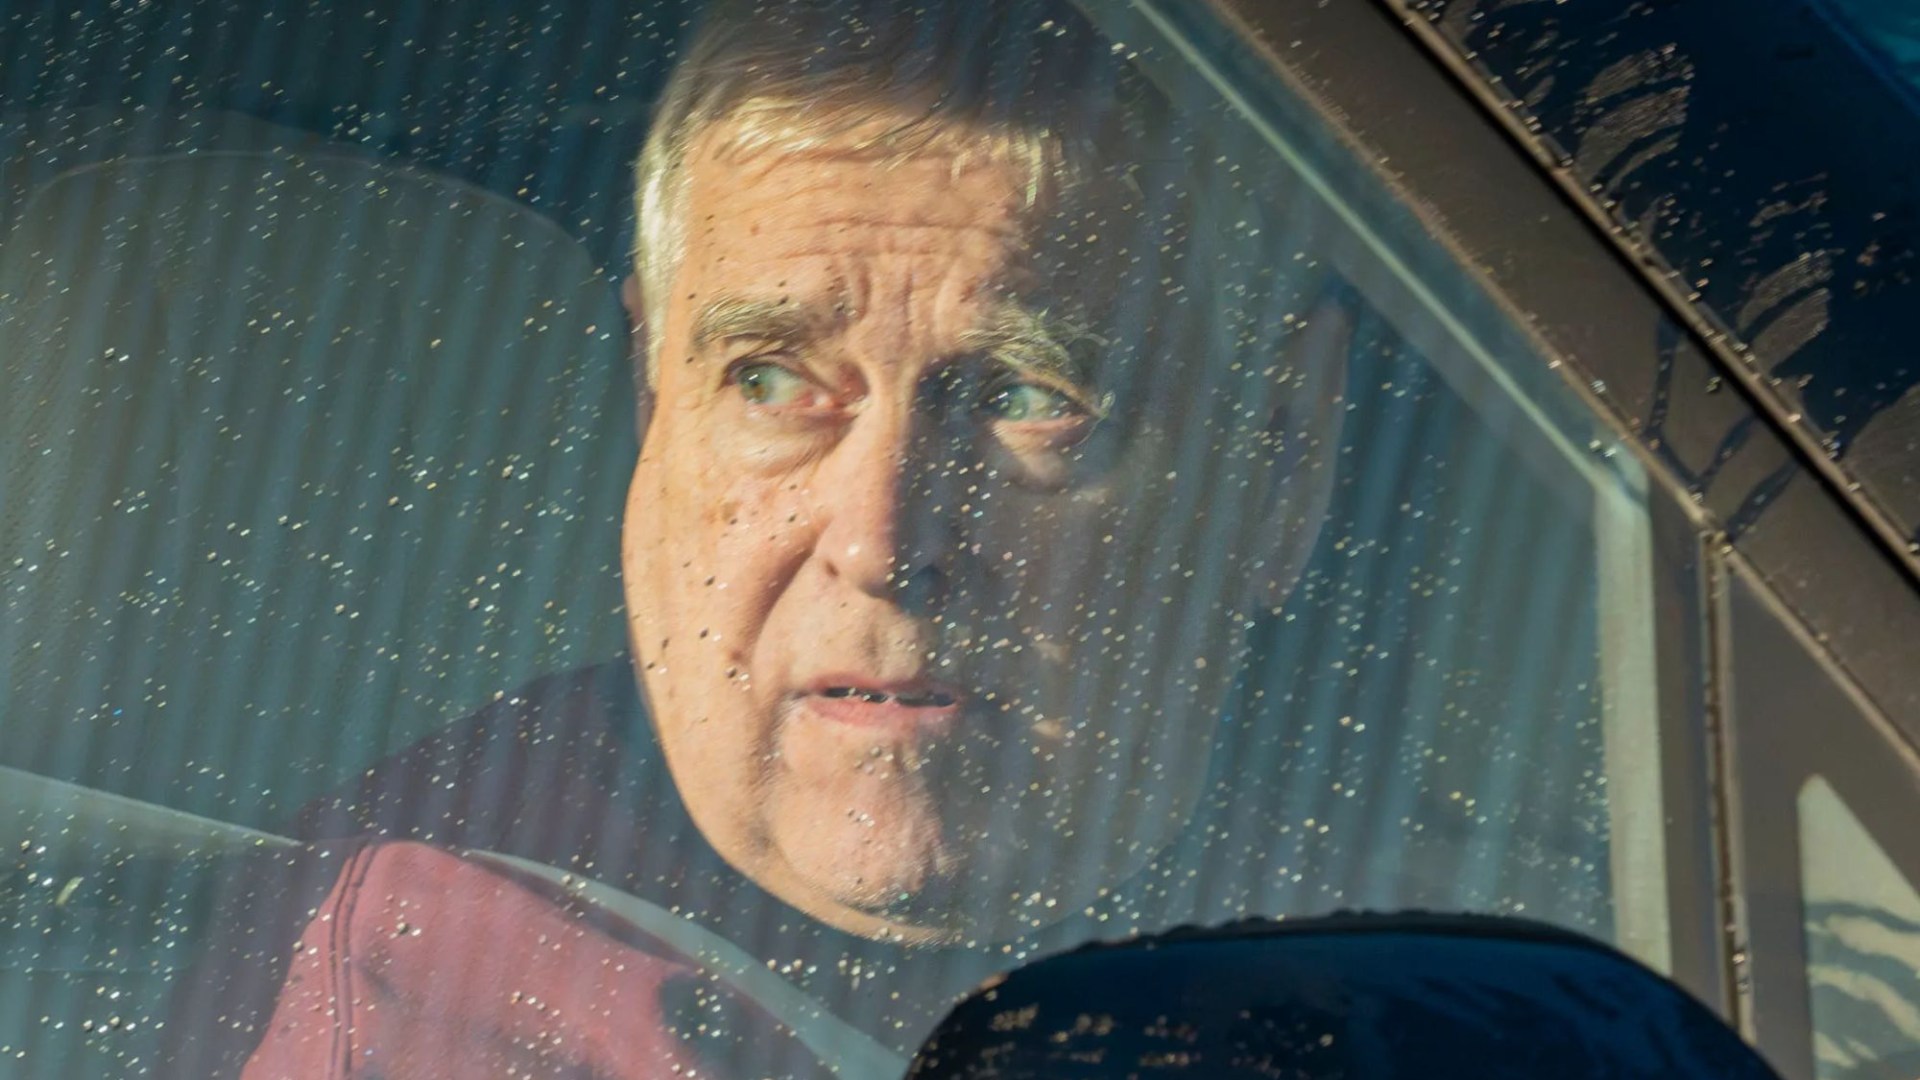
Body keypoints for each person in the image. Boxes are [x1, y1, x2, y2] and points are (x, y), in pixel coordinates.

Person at [166, 0, 1351, 1075]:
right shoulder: (426, 962)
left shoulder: (1380, 932)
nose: (880, 545)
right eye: (772, 381)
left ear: (1283, 462)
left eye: (1022, 396)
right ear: (653, 403)